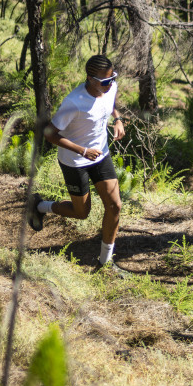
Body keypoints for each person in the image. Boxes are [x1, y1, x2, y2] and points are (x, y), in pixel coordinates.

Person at [26, 54, 127, 269]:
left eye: (112, 78)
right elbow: (50, 134)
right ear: (90, 78)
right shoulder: (74, 102)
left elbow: (111, 102)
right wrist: (82, 150)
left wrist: (117, 120)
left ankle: (105, 262)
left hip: (101, 155)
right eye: (105, 81)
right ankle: (39, 206)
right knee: (81, 213)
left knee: (115, 206)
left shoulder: (109, 87)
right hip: (74, 161)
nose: (110, 84)